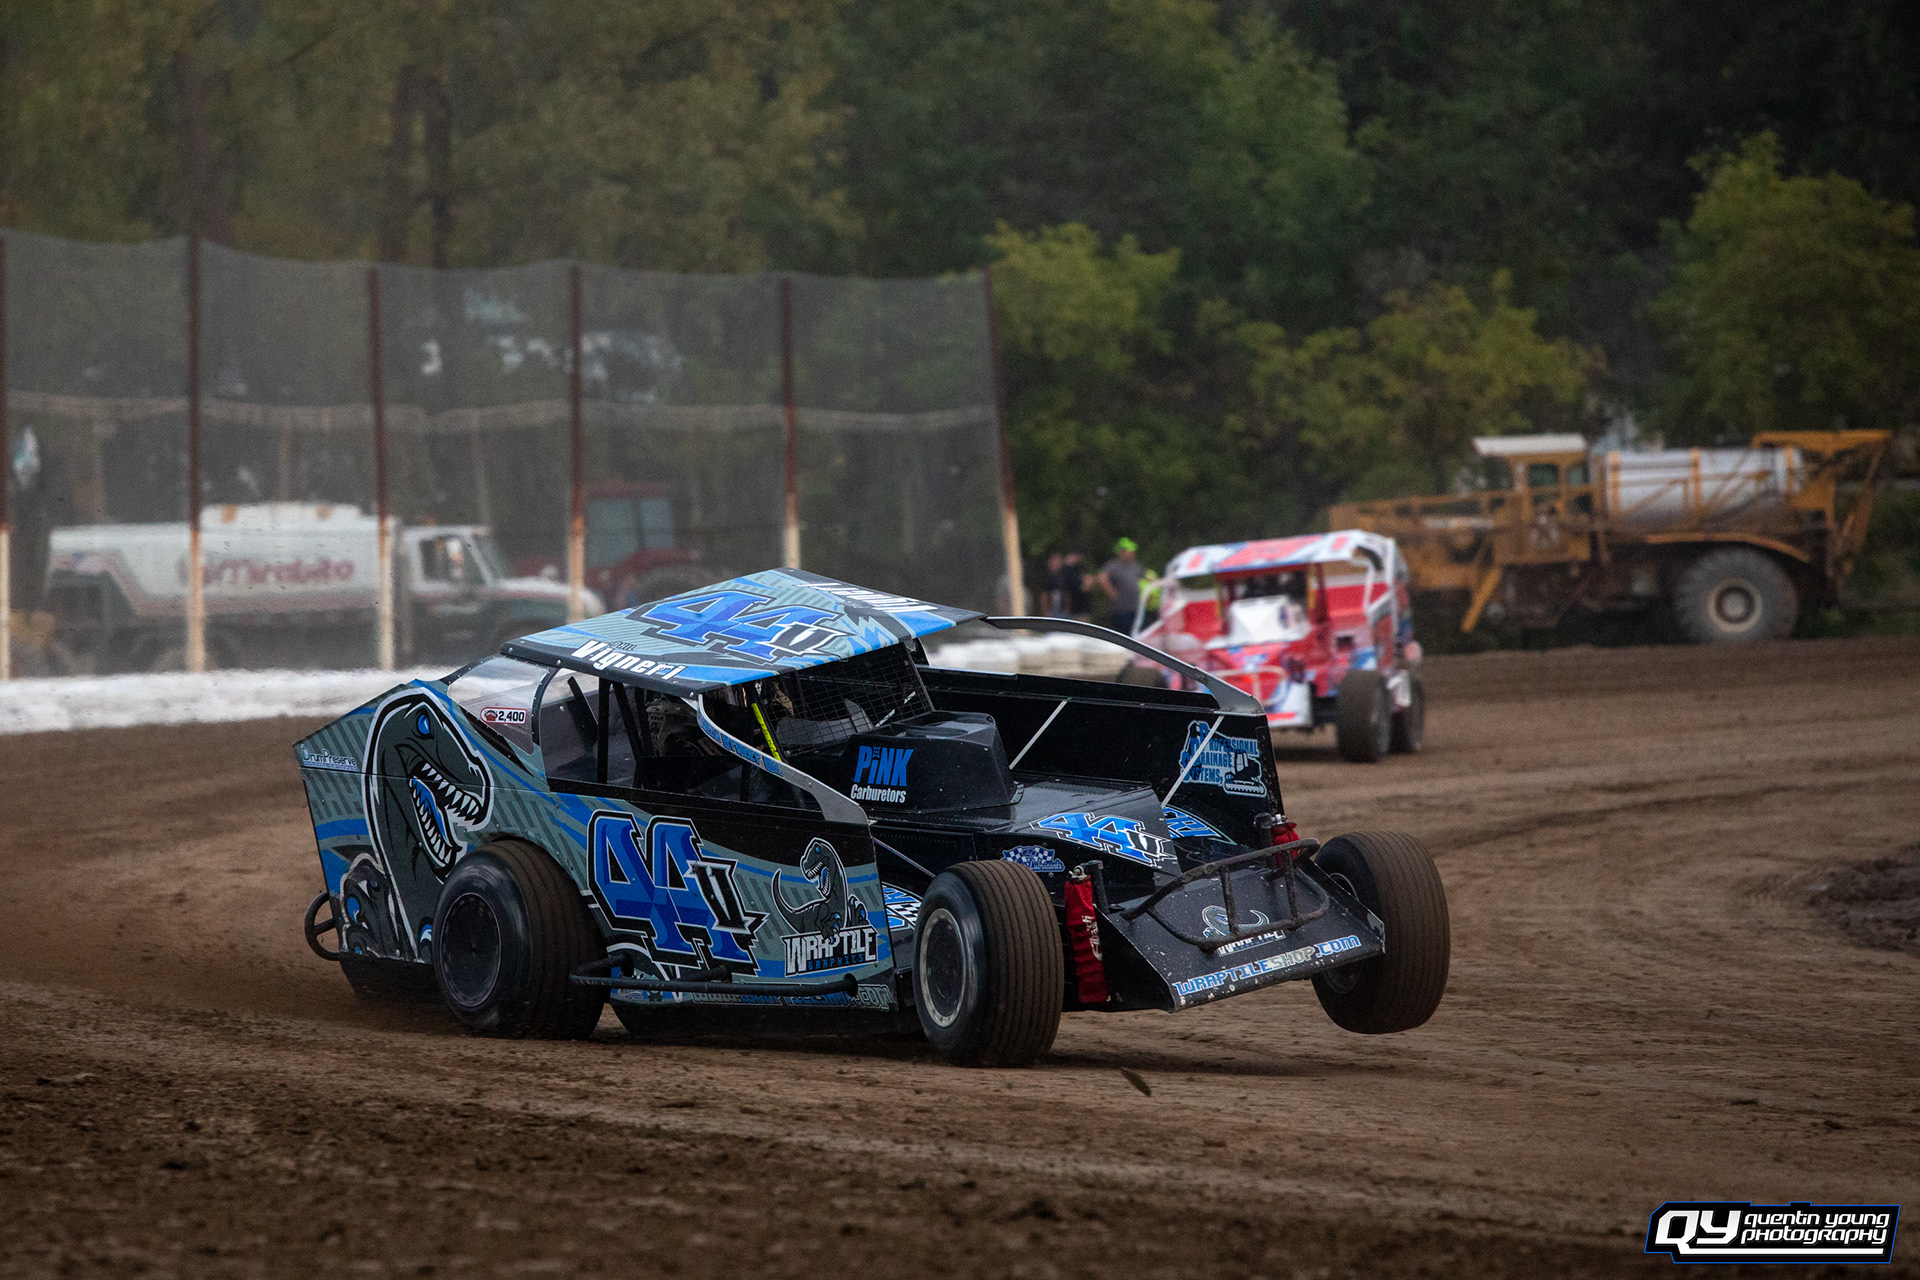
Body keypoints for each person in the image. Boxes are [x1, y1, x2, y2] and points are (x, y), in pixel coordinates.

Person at [1098, 537, 1145, 635]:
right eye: (1130, 551)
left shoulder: (1136, 566)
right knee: (1122, 634)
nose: (1132, 554)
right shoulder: (1113, 566)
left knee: (1137, 634)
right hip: (1121, 609)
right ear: (1122, 552)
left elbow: (1145, 579)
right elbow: (1102, 577)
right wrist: (1111, 593)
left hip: (1136, 608)